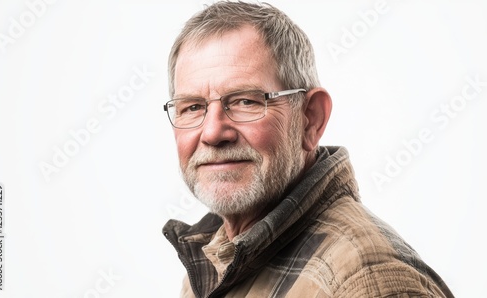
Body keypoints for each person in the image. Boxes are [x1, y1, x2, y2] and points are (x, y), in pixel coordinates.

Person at [162, 1, 454, 297]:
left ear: (310, 119)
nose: (212, 132)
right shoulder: (213, 259)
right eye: (193, 107)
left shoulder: (366, 280)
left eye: (245, 101)